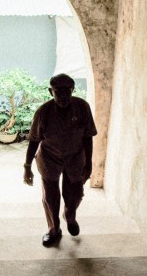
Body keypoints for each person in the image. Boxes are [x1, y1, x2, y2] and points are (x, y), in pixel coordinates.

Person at [23, 73, 97, 247]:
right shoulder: (43, 113)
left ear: (72, 90)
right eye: (58, 92)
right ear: (51, 92)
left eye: (67, 91)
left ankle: (69, 215)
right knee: (50, 197)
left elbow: (88, 136)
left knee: (76, 193)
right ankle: (54, 229)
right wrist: (27, 166)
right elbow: (34, 140)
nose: (63, 96)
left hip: (75, 158)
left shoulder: (82, 107)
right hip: (50, 158)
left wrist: (89, 162)